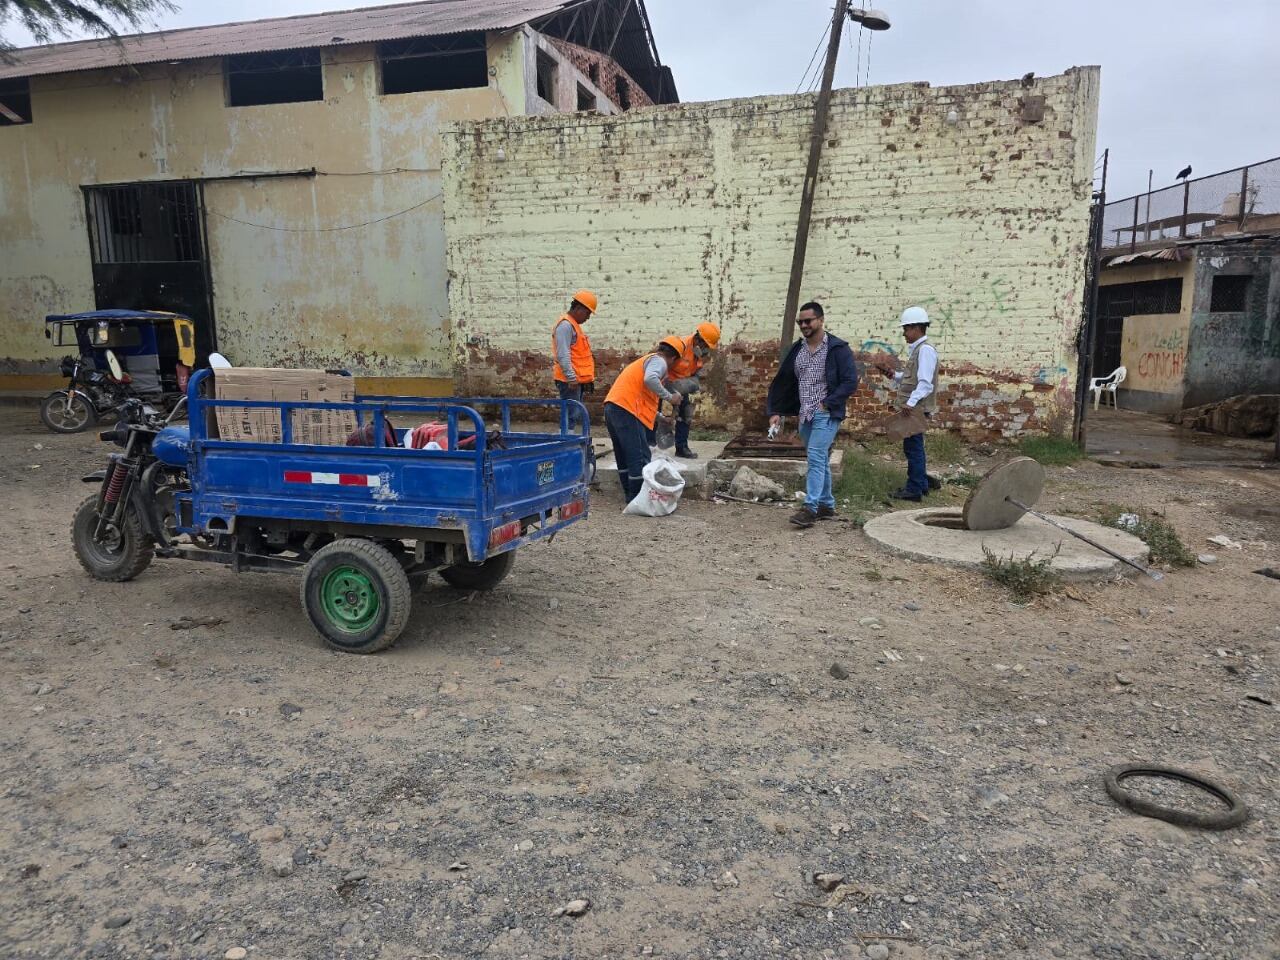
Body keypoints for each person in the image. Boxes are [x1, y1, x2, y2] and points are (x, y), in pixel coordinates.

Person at [766, 302, 859, 528]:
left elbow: (850, 381)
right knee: (820, 459)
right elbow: (785, 381)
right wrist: (777, 411)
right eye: (801, 322)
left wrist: (827, 404)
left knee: (816, 457)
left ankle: (810, 508)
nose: (804, 325)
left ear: (821, 320)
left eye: (808, 321)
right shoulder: (798, 350)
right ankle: (826, 505)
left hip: (826, 413)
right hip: (804, 414)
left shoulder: (837, 349)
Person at [603, 337, 685, 502]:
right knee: (639, 456)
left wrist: (661, 418)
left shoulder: (645, 362)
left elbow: (641, 399)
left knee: (623, 455)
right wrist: (670, 397)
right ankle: (638, 499)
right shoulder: (659, 361)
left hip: (614, 407)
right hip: (627, 410)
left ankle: (630, 496)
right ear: (673, 358)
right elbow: (650, 379)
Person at [890, 306, 940, 502]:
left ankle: (914, 489)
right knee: (914, 447)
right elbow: (911, 377)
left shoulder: (925, 350)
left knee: (913, 448)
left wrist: (910, 403)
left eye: (906, 328)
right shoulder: (919, 350)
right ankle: (921, 484)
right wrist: (893, 375)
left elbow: (925, 383)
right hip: (914, 408)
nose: (904, 333)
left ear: (917, 328)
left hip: (915, 409)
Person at [664, 322, 721, 459]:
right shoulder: (681, 345)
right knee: (653, 412)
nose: (706, 348)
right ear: (698, 338)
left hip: (681, 385)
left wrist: (691, 385)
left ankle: (681, 447)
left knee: (686, 413)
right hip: (664, 381)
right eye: (705, 345)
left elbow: (695, 371)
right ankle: (649, 444)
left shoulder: (700, 353)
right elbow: (660, 363)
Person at [552, 290, 598, 425]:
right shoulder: (565, 326)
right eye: (587, 313)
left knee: (573, 414)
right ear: (578, 308)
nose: (588, 318)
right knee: (570, 415)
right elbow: (563, 354)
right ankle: (566, 437)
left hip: (574, 380)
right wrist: (571, 378)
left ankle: (568, 435)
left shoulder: (573, 325)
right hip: (569, 380)